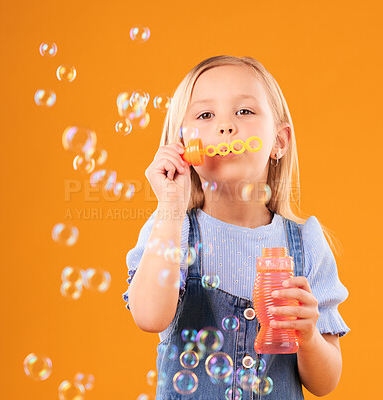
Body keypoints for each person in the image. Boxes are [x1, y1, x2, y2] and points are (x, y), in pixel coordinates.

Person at [122, 55, 350, 399]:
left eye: (244, 112)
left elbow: (325, 382)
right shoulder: (172, 229)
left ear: (279, 141)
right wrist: (170, 205)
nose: (226, 127)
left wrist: (309, 337)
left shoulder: (305, 242)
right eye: (205, 115)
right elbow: (149, 317)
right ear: (184, 148)